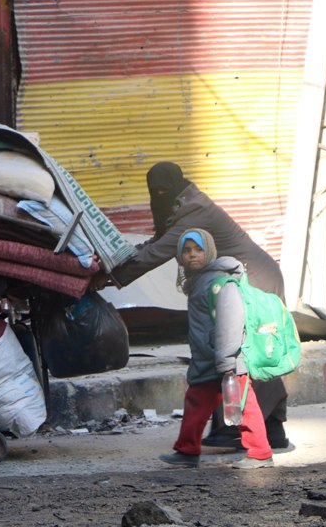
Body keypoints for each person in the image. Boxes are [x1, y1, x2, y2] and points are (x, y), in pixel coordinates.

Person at [103, 161, 290, 450]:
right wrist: (114, 260)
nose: (160, 196)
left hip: (255, 280)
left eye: (164, 190)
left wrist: (107, 277)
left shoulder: (194, 212)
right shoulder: (183, 206)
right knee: (245, 354)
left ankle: (238, 429)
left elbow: (158, 252)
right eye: (156, 191)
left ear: (176, 186)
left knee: (248, 354)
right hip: (243, 278)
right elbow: (154, 244)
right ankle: (270, 429)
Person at [158, 229, 274, 469]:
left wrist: (227, 359)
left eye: (198, 250)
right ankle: (187, 451)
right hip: (208, 359)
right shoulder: (199, 282)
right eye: (186, 251)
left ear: (209, 251)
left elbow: (231, 321)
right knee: (196, 402)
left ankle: (261, 453)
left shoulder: (220, 282)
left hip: (228, 359)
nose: (192, 255)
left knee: (243, 404)